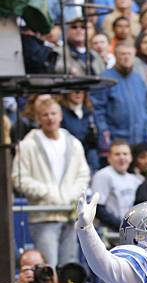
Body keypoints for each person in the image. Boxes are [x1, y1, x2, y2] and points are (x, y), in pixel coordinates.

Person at [11, 98, 90, 267]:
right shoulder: (27, 145)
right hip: (43, 216)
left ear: (61, 115)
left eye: (53, 113)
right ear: (38, 119)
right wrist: (49, 194)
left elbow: (83, 175)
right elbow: (18, 178)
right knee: (48, 268)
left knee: (70, 268)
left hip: (69, 214)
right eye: (44, 115)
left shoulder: (74, 143)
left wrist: (70, 196)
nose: (50, 118)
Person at [91, 42, 147, 149]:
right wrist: (104, 131)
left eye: (129, 54)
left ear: (134, 56)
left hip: (139, 139)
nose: (126, 57)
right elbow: (97, 109)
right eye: (122, 54)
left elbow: (144, 108)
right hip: (116, 140)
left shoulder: (138, 79)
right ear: (116, 56)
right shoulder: (106, 79)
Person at [91, 140, 141, 232]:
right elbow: (98, 209)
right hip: (108, 232)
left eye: (125, 154)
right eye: (117, 154)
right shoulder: (103, 175)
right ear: (109, 158)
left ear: (131, 157)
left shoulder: (135, 180)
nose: (122, 157)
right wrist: (123, 226)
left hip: (128, 231)